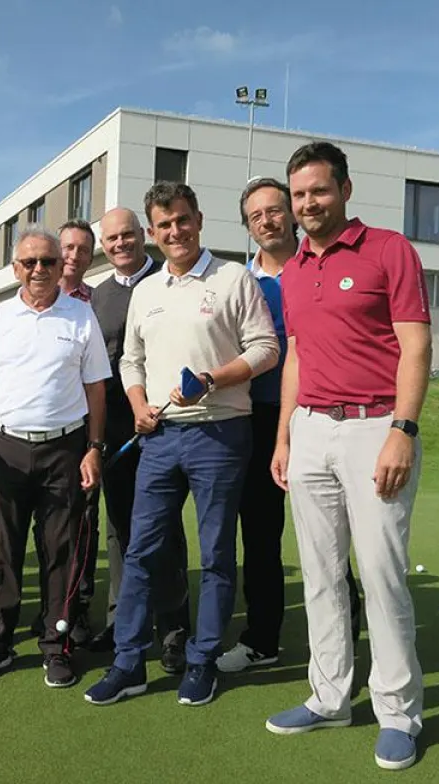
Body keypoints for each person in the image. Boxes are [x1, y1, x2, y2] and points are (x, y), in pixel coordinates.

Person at [264, 141, 431, 772]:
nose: (308, 203)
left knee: (382, 575)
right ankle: (330, 696)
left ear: (345, 190)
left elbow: (416, 347)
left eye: (319, 191)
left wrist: (403, 430)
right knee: (320, 573)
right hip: (310, 429)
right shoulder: (293, 270)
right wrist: (284, 436)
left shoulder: (389, 250)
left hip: (375, 428)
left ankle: (398, 713)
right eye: (298, 194)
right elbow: (297, 356)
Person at [83, 182, 279, 708]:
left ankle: (202, 661)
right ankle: (128, 663)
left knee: (216, 554)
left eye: (183, 220)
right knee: (143, 550)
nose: (175, 231)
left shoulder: (233, 278)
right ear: (153, 232)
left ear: (199, 220)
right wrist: (138, 403)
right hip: (160, 438)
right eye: (165, 225)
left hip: (220, 432)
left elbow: (266, 348)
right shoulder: (147, 291)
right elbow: (131, 361)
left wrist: (213, 378)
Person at [0, 227, 110, 688]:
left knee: (60, 552)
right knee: (3, 551)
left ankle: (56, 645)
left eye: (48, 261)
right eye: (29, 262)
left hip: (65, 448)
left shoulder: (81, 315)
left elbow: (95, 388)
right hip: (5, 448)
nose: (39, 269)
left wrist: (94, 448)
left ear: (61, 267)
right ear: (15, 268)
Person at [217, 179, 363, 673]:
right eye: (255, 215)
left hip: (316, 416)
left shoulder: (317, 268)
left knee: (329, 538)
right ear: (247, 225)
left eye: (275, 210)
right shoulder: (238, 281)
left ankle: (346, 645)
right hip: (255, 420)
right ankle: (262, 640)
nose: (267, 221)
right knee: (259, 537)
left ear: (292, 213)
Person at [86, 207, 191, 674]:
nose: (120, 244)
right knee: (120, 528)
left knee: (164, 527)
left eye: (127, 235)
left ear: (142, 235)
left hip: (164, 425)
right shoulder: (99, 295)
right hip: (116, 429)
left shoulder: (168, 279)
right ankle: (122, 621)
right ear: (103, 245)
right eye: (111, 239)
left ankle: (173, 629)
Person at [29, 219, 99, 644]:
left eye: (82, 250)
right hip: (33, 436)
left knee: (78, 528)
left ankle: (76, 608)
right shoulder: (27, 302)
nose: (74, 256)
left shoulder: (95, 302)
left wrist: (94, 442)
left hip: (82, 431)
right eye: (67, 248)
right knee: (40, 529)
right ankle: (44, 608)